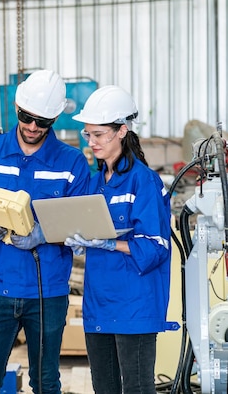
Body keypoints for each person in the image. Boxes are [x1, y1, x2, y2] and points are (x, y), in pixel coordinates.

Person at [0, 69, 91, 394]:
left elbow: (79, 227)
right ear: (17, 108)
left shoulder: (71, 163)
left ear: (55, 118)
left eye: (42, 122)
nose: (32, 127)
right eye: (26, 117)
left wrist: (43, 232)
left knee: (45, 382)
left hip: (47, 293)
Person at [64, 85, 177, 394]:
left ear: (122, 131)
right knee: (105, 389)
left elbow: (157, 247)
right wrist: (79, 239)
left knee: (138, 389)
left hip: (134, 306)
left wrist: (110, 243)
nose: (91, 143)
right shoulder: (96, 181)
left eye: (98, 135)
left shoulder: (143, 181)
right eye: (88, 135)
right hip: (99, 304)